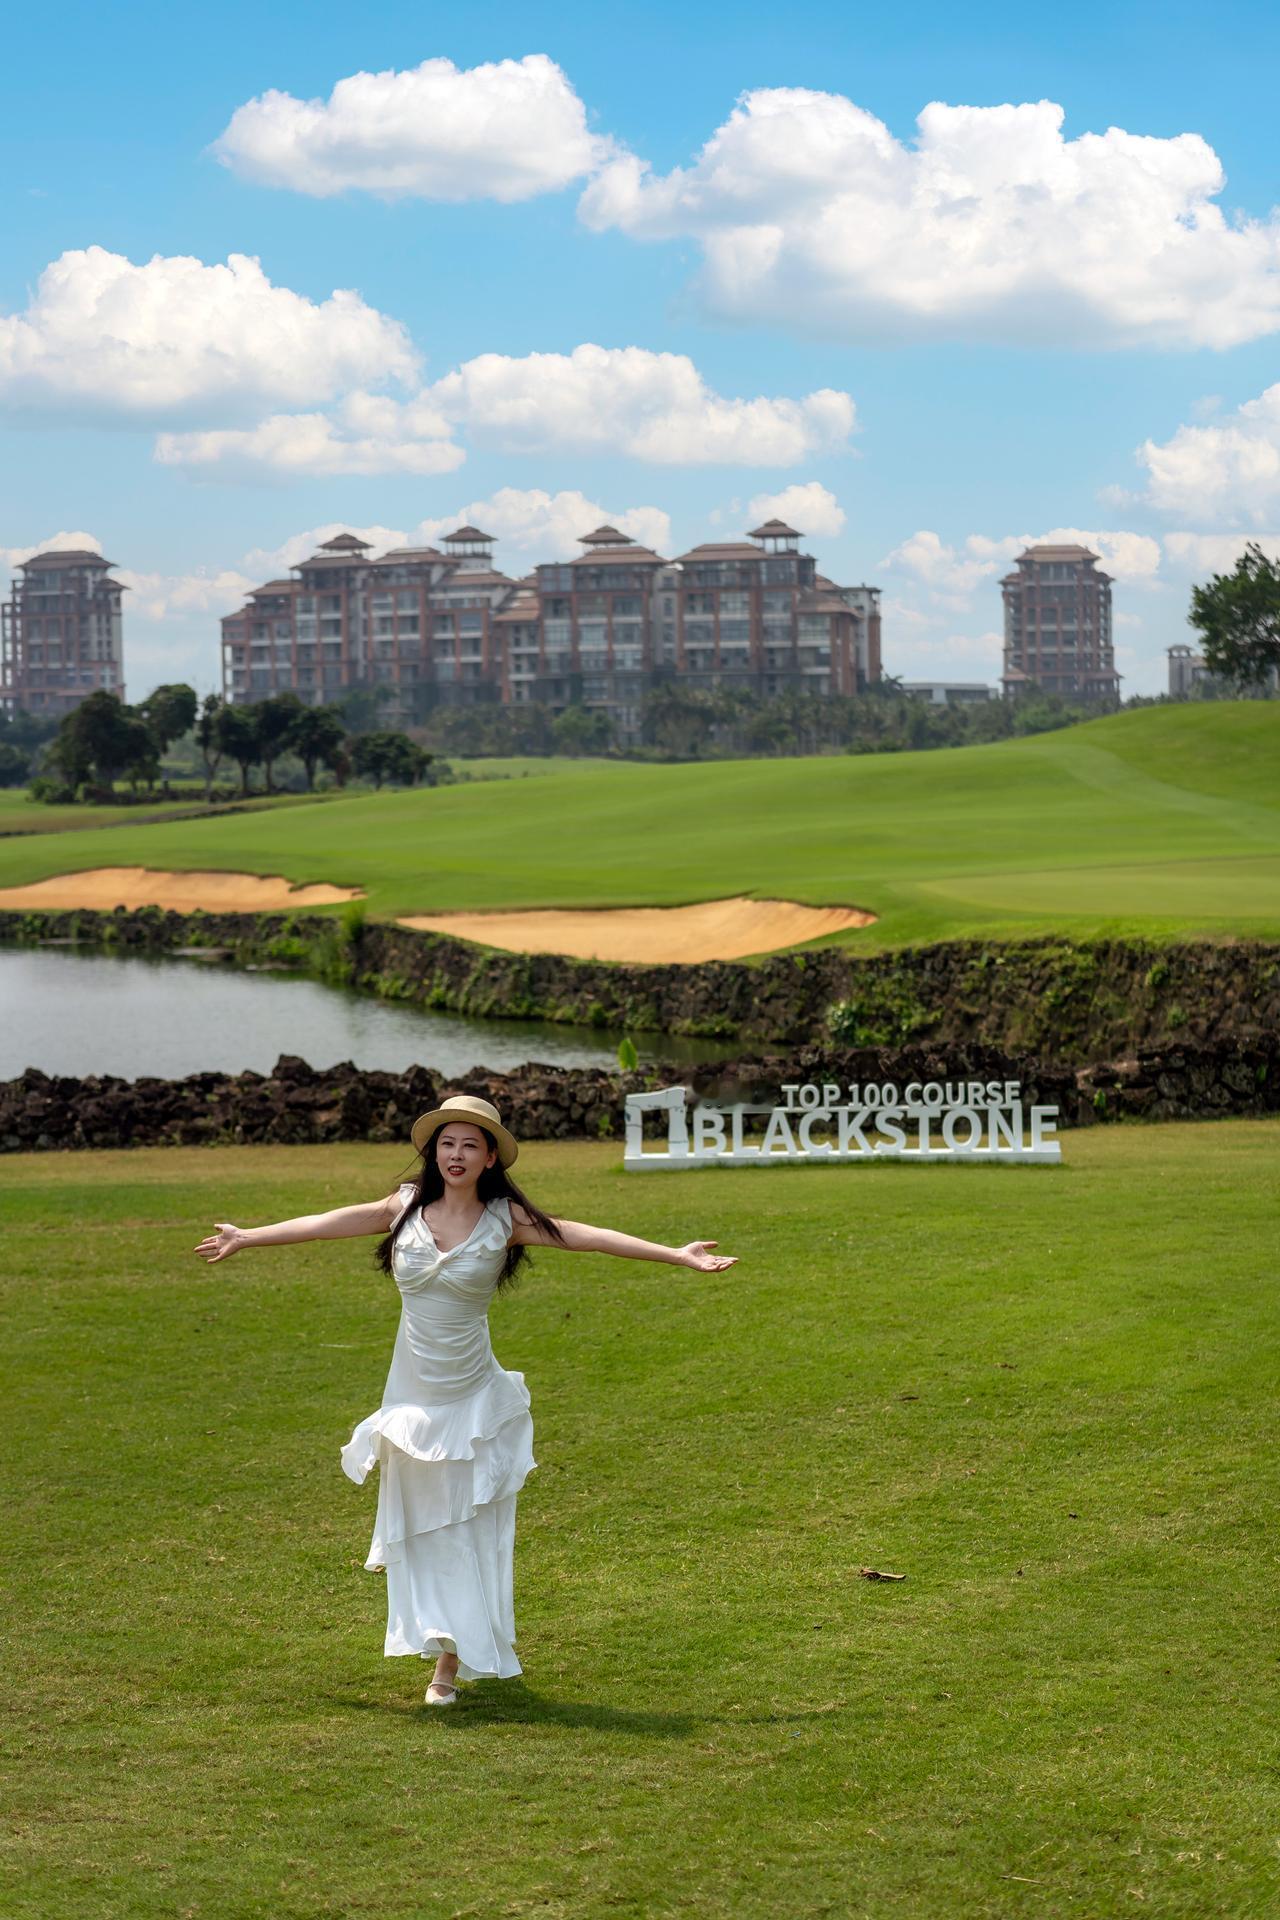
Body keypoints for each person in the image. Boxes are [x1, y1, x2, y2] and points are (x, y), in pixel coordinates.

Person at [193, 1093, 736, 1706]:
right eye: (447, 1143)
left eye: (469, 1145)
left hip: (473, 1398)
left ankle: (446, 1666)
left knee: (468, 1526)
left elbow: (587, 1237)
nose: (456, 1154)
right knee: (427, 1528)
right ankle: (434, 1637)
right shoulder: (401, 1209)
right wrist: (248, 1237)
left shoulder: (506, 1219)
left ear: (488, 1159)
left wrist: (674, 1255)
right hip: (413, 1398)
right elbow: (328, 1222)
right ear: (434, 1152)